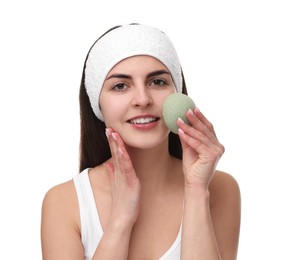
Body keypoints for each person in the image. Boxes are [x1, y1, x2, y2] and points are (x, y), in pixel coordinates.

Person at [41, 23, 241, 260]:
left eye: (157, 82)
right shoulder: (64, 202)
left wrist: (196, 191)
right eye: (120, 86)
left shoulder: (220, 189)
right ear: (98, 106)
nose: (143, 99)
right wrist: (120, 222)